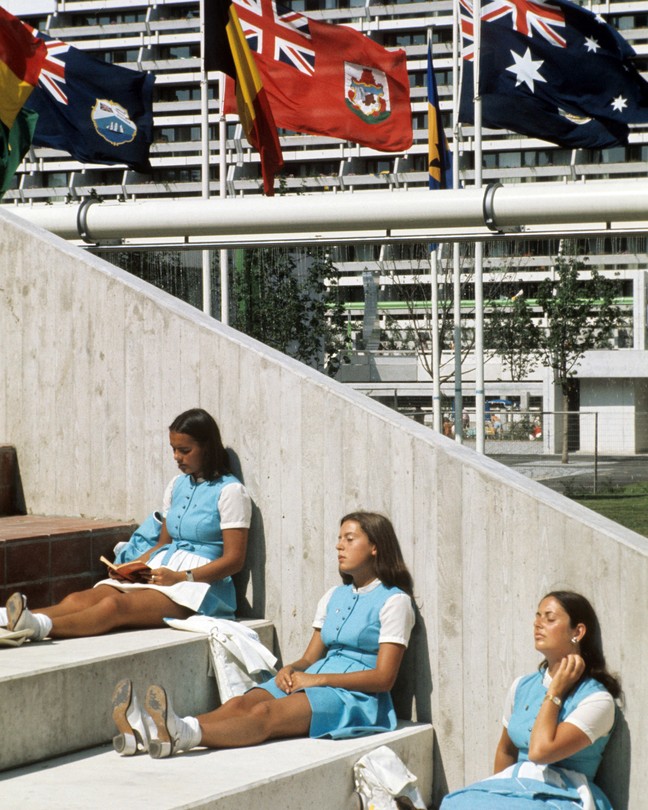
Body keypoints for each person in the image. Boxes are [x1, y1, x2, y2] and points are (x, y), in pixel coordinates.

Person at [110, 511, 416, 757]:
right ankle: (151, 731)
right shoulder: (333, 596)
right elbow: (310, 657)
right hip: (314, 679)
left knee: (265, 713)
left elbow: (383, 678)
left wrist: (316, 679)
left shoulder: (395, 601)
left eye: (350, 539)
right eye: (339, 539)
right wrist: (290, 669)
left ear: (375, 547)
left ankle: (184, 734)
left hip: (355, 699)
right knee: (239, 704)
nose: (339, 546)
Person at [3, 408, 251, 642]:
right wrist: (129, 568)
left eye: (184, 450)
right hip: (162, 570)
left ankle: (36, 628)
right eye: (173, 449)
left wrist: (181, 577)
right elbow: (164, 543)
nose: (176, 457)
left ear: (207, 448)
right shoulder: (177, 485)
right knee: (81, 598)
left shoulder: (230, 491)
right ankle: (13, 618)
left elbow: (234, 560)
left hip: (200, 589)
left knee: (114, 606)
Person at [441, 591, 622, 810]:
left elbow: (540, 752)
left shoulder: (597, 700)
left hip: (566, 794)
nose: (538, 624)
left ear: (578, 632)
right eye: (537, 616)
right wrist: (499, 795)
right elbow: (506, 750)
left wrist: (555, 691)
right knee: (454, 803)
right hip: (519, 787)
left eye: (550, 618)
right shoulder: (521, 686)